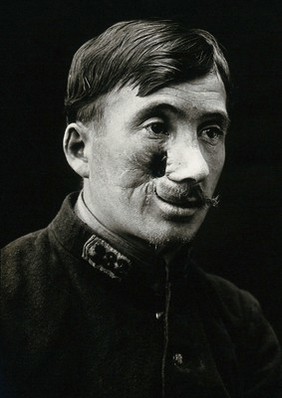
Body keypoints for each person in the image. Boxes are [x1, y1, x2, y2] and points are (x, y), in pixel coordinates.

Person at [1, 19, 281, 398]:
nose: (196, 169)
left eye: (211, 131)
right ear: (80, 150)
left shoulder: (240, 323)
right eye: (156, 126)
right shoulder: (8, 300)